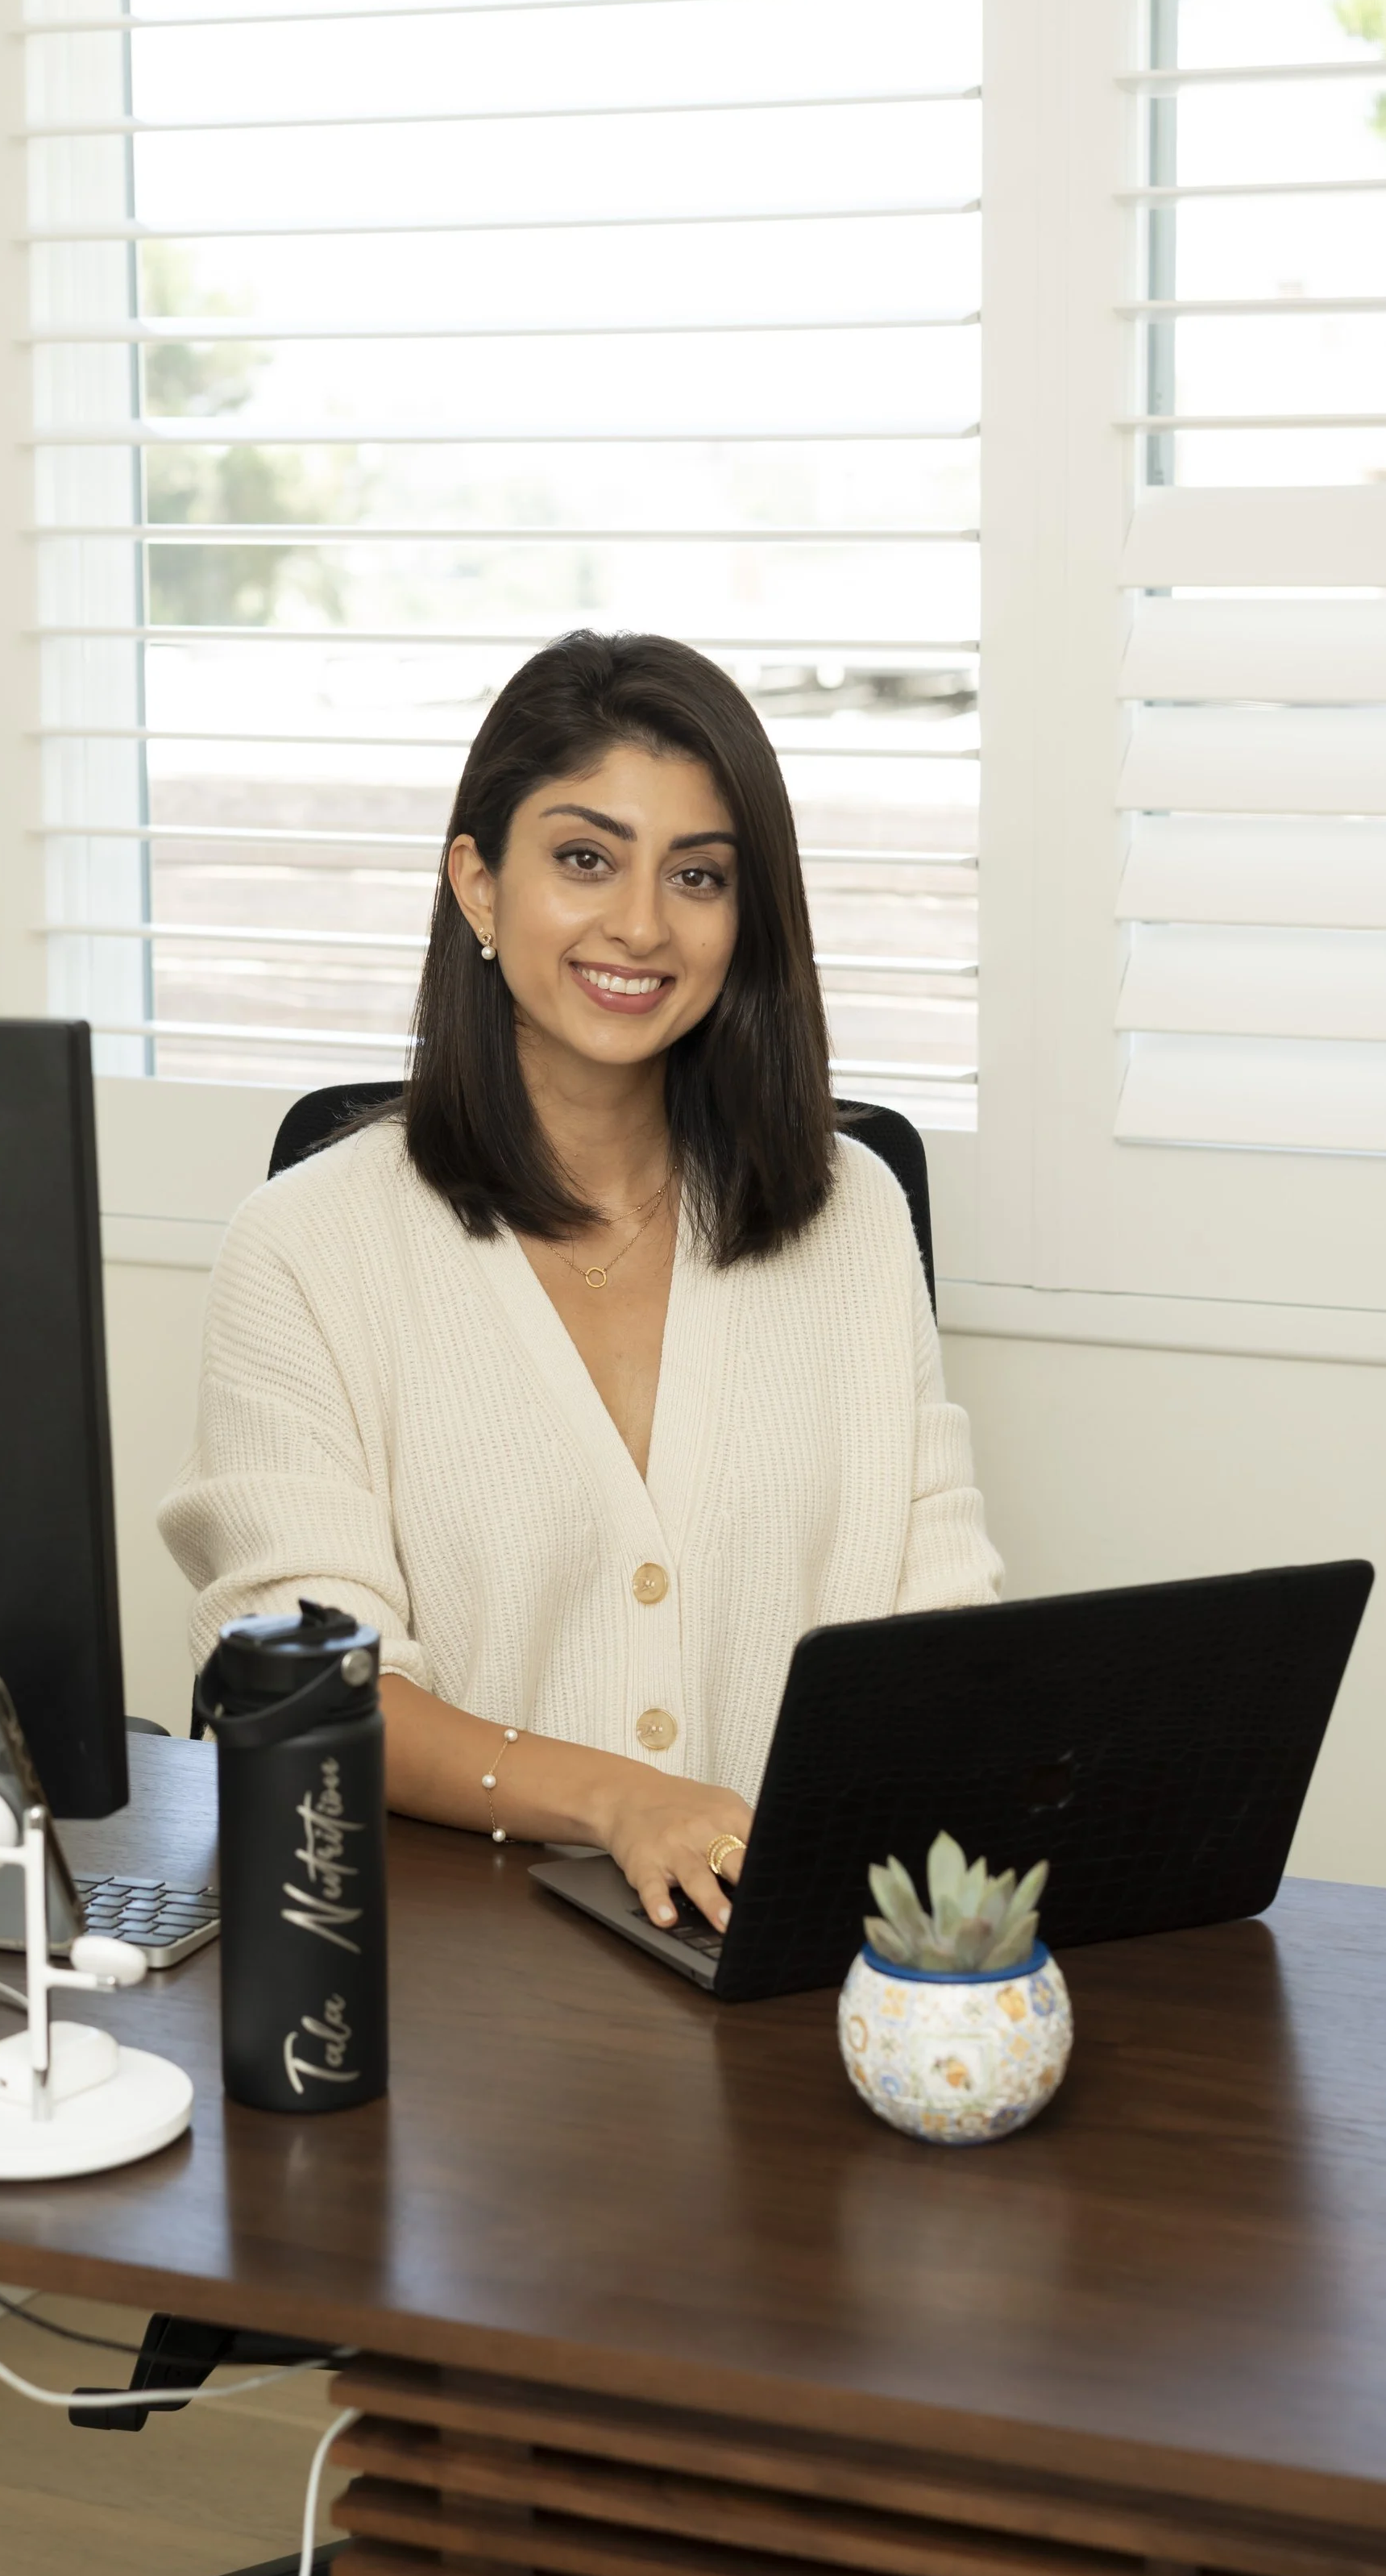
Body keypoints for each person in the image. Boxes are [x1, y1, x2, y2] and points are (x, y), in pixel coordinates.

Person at [160, 631, 1001, 1936]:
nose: (641, 924)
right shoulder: (307, 1247)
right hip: (461, 1986)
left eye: (700, 874)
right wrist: (620, 1797)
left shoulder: (855, 1218)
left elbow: (948, 1642)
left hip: (788, 1959)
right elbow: (310, 1692)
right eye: (585, 858)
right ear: (480, 886)